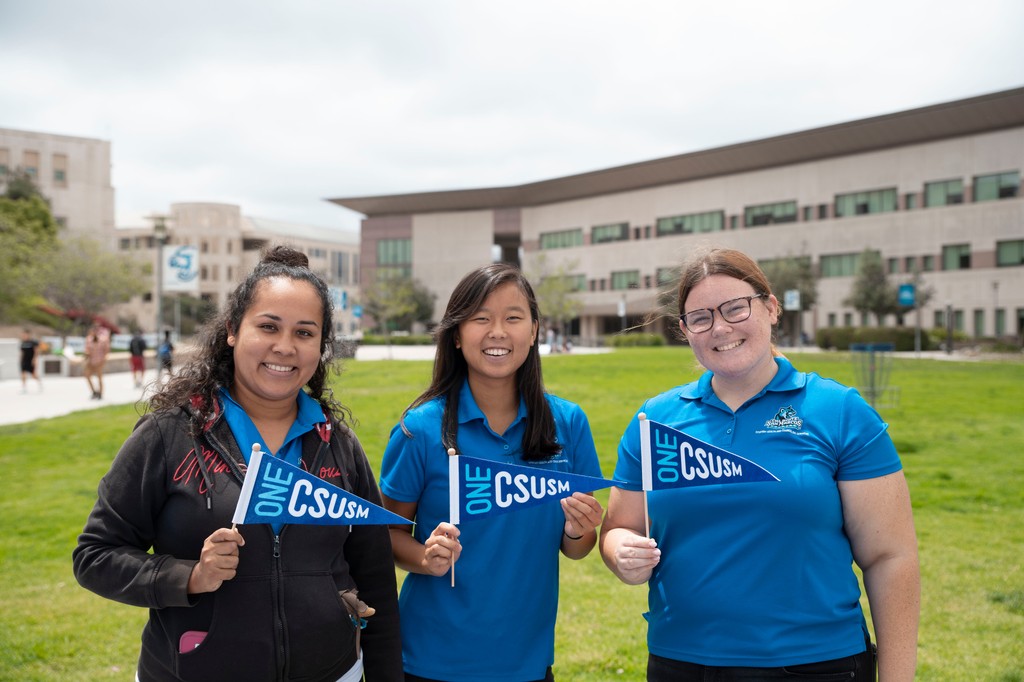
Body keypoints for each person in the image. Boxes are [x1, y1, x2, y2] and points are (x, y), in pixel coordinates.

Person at [73, 245, 403, 682]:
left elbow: (375, 577)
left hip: (333, 670)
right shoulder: (169, 434)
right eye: (268, 326)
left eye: (305, 333)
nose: (284, 347)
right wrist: (190, 576)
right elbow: (95, 556)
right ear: (232, 330)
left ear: (321, 345)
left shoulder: (336, 442)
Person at [600, 247, 920, 681]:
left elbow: (890, 557)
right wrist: (621, 550)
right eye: (701, 318)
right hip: (681, 663)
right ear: (686, 331)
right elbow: (619, 528)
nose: (721, 327)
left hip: (815, 666)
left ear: (770, 307)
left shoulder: (840, 411)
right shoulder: (654, 420)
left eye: (735, 308)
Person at [379, 263, 604, 682]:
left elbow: (577, 548)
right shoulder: (419, 430)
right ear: (457, 334)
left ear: (534, 331)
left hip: (527, 663)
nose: (497, 332)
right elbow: (387, 533)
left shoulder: (568, 423)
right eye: (480, 318)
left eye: (513, 318)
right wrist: (426, 558)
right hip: (430, 661)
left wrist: (578, 531)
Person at [83, 322, 111, 399]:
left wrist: (103, 360)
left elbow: (106, 351)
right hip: (91, 361)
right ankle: (94, 391)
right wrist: (86, 354)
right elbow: (87, 349)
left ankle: (100, 393)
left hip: (99, 361)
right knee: (87, 375)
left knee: (99, 378)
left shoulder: (103, 339)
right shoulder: (89, 339)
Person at [19, 328, 43, 393]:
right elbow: (22, 352)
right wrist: (20, 360)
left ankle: (40, 384)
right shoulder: (23, 343)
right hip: (24, 360)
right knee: (23, 374)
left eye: (25, 335)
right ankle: (24, 388)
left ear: (28, 335)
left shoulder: (33, 342)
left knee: (33, 375)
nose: (24, 336)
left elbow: (36, 351)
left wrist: (34, 359)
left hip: (31, 360)